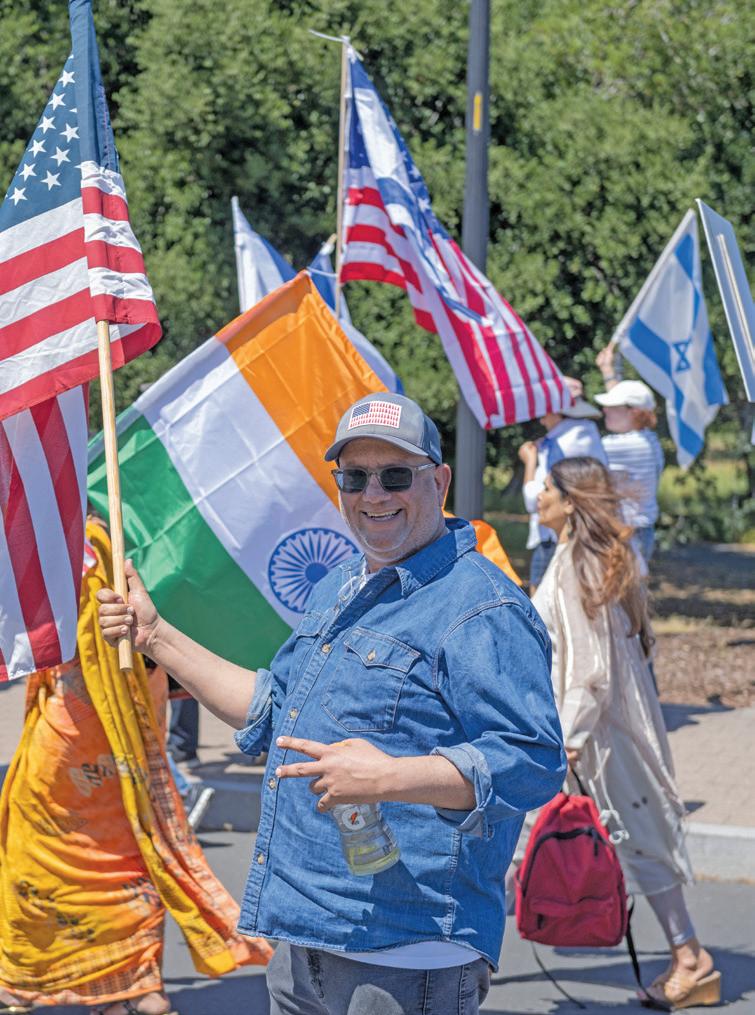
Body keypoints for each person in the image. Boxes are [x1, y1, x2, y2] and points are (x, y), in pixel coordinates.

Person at [97, 392, 566, 1015]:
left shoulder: (482, 607)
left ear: (439, 481)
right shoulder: (346, 582)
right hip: (303, 939)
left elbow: (532, 761)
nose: (373, 494)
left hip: (406, 954)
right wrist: (155, 636)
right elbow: (274, 711)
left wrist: (389, 777)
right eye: (354, 477)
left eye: (395, 475)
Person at [0, 521, 271, 1015]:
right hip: (118, 705)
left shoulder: (88, 539)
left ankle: (60, 982)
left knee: (71, 843)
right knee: (132, 839)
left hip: (88, 714)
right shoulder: (124, 529)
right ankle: (133, 986)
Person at [531, 456, 720, 1010]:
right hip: (601, 732)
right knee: (628, 839)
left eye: (548, 487)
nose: (538, 496)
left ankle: (691, 958)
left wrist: (568, 740)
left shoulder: (579, 564)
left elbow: (590, 672)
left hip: (600, 738)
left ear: (572, 502)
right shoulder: (581, 557)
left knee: (639, 841)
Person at [518, 394, 607, 592]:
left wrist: (530, 461)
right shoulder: (587, 435)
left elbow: (533, 500)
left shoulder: (560, 446)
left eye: (544, 413)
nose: (541, 420)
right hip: (583, 531)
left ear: (558, 412)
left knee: (541, 601)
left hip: (556, 537)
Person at [596, 347, 665, 564]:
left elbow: (580, 451)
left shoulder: (627, 446)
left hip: (628, 535)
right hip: (636, 531)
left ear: (634, 412)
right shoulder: (647, 438)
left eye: (612, 406)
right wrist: (608, 371)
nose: (605, 410)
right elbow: (624, 403)